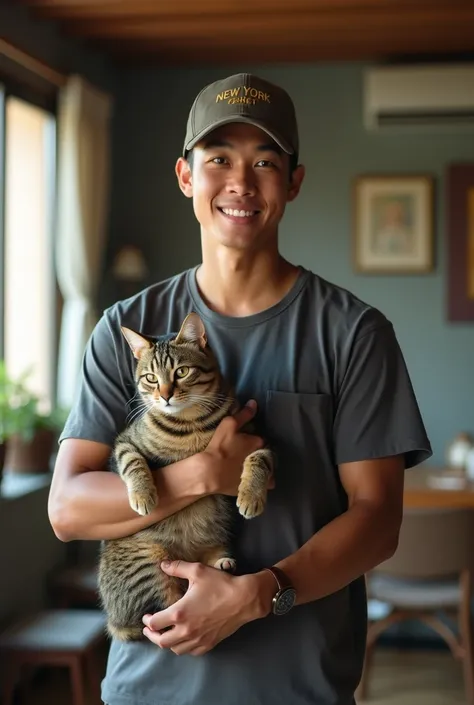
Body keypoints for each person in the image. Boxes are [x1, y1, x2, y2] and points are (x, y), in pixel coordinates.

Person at [49, 73, 432, 705]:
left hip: (300, 687)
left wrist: (260, 593)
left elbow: (378, 520)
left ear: (294, 183)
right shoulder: (125, 329)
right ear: (185, 176)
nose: (241, 183)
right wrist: (202, 474)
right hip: (149, 689)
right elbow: (67, 509)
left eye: (265, 163)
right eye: (219, 159)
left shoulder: (354, 333)